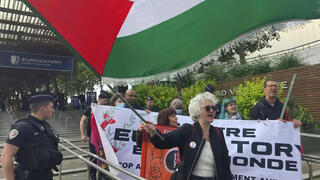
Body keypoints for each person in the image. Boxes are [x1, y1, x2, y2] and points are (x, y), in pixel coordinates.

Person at [142, 92, 232, 180]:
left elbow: (225, 163)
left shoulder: (218, 133)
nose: (212, 110)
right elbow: (164, 141)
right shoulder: (188, 130)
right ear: (197, 111)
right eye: (208, 108)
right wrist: (153, 132)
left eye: (214, 108)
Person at [1, 93, 62, 180]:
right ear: (42, 108)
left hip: (46, 175)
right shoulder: (22, 127)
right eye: (51, 107)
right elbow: (5, 157)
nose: (53, 110)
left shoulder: (46, 126)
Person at [79, 90, 110, 180]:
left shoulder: (106, 108)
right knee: (94, 157)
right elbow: (82, 121)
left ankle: (102, 175)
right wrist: (82, 135)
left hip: (104, 138)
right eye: (105, 101)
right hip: (93, 138)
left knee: (103, 157)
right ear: (100, 99)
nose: (106, 103)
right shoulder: (91, 108)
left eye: (107, 101)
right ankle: (92, 175)